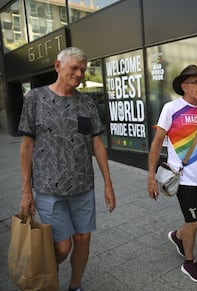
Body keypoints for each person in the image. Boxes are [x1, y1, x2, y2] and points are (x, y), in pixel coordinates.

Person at [18, 47, 116, 291]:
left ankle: (75, 286)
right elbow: (27, 146)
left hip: (83, 187)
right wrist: (26, 190)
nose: (80, 73)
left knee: (83, 240)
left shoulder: (86, 103)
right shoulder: (35, 98)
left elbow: (97, 143)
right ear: (58, 66)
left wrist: (108, 183)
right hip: (48, 189)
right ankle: (44, 272)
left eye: (83, 69)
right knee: (62, 246)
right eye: (74, 67)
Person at [147, 65, 197, 283]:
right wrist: (151, 177)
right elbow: (156, 143)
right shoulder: (171, 109)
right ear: (183, 86)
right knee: (192, 222)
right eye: (195, 82)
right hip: (183, 179)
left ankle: (178, 237)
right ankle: (189, 263)